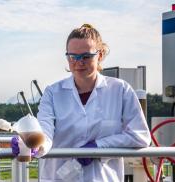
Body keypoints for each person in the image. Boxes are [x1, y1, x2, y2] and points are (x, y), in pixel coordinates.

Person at [11, 24, 151, 181]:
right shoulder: (53, 93)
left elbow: (140, 136)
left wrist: (99, 146)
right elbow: (46, 133)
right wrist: (34, 145)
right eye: (73, 57)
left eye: (86, 56)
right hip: (58, 178)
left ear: (100, 54)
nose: (78, 62)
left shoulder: (120, 90)